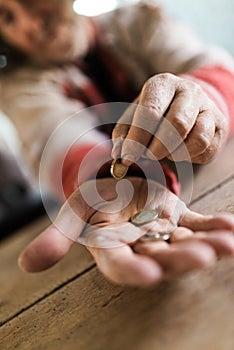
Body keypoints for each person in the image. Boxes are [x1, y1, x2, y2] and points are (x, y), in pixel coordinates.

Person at [0, 0, 234, 287]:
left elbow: (216, 68)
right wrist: (109, 177)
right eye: (5, 16)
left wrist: (204, 98)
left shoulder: (139, 20)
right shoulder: (18, 87)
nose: (30, 24)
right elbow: (58, 140)